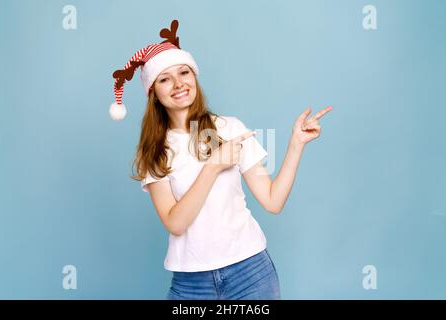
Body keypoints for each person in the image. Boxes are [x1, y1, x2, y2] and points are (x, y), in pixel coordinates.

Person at [109, 20, 332, 300]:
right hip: (191, 283)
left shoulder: (228, 129)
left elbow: (273, 201)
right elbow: (176, 223)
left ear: (195, 77)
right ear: (153, 92)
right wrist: (213, 166)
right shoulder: (155, 151)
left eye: (184, 72)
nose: (179, 84)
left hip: (250, 273)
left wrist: (296, 144)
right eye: (165, 78)